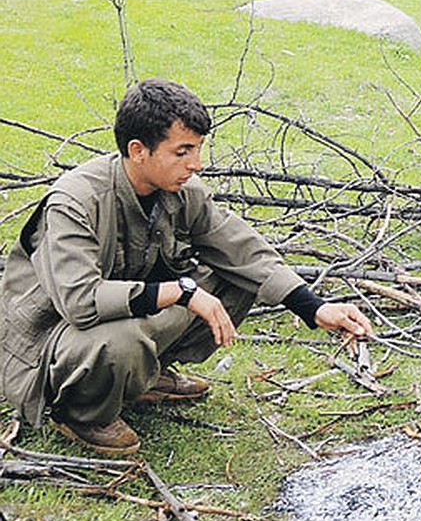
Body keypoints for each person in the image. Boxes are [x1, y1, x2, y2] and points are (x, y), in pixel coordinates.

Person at [0, 79, 373, 455]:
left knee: (236, 277)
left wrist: (316, 308)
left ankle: (147, 375)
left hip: (117, 316)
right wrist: (182, 292)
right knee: (123, 343)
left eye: (197, 150)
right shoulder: (75, 201)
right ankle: (82, 412)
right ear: (138, 150)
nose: (195, 165)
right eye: (182, 152)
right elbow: (79, 301)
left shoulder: (179, 191)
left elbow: (243, 251)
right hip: (51, 340)